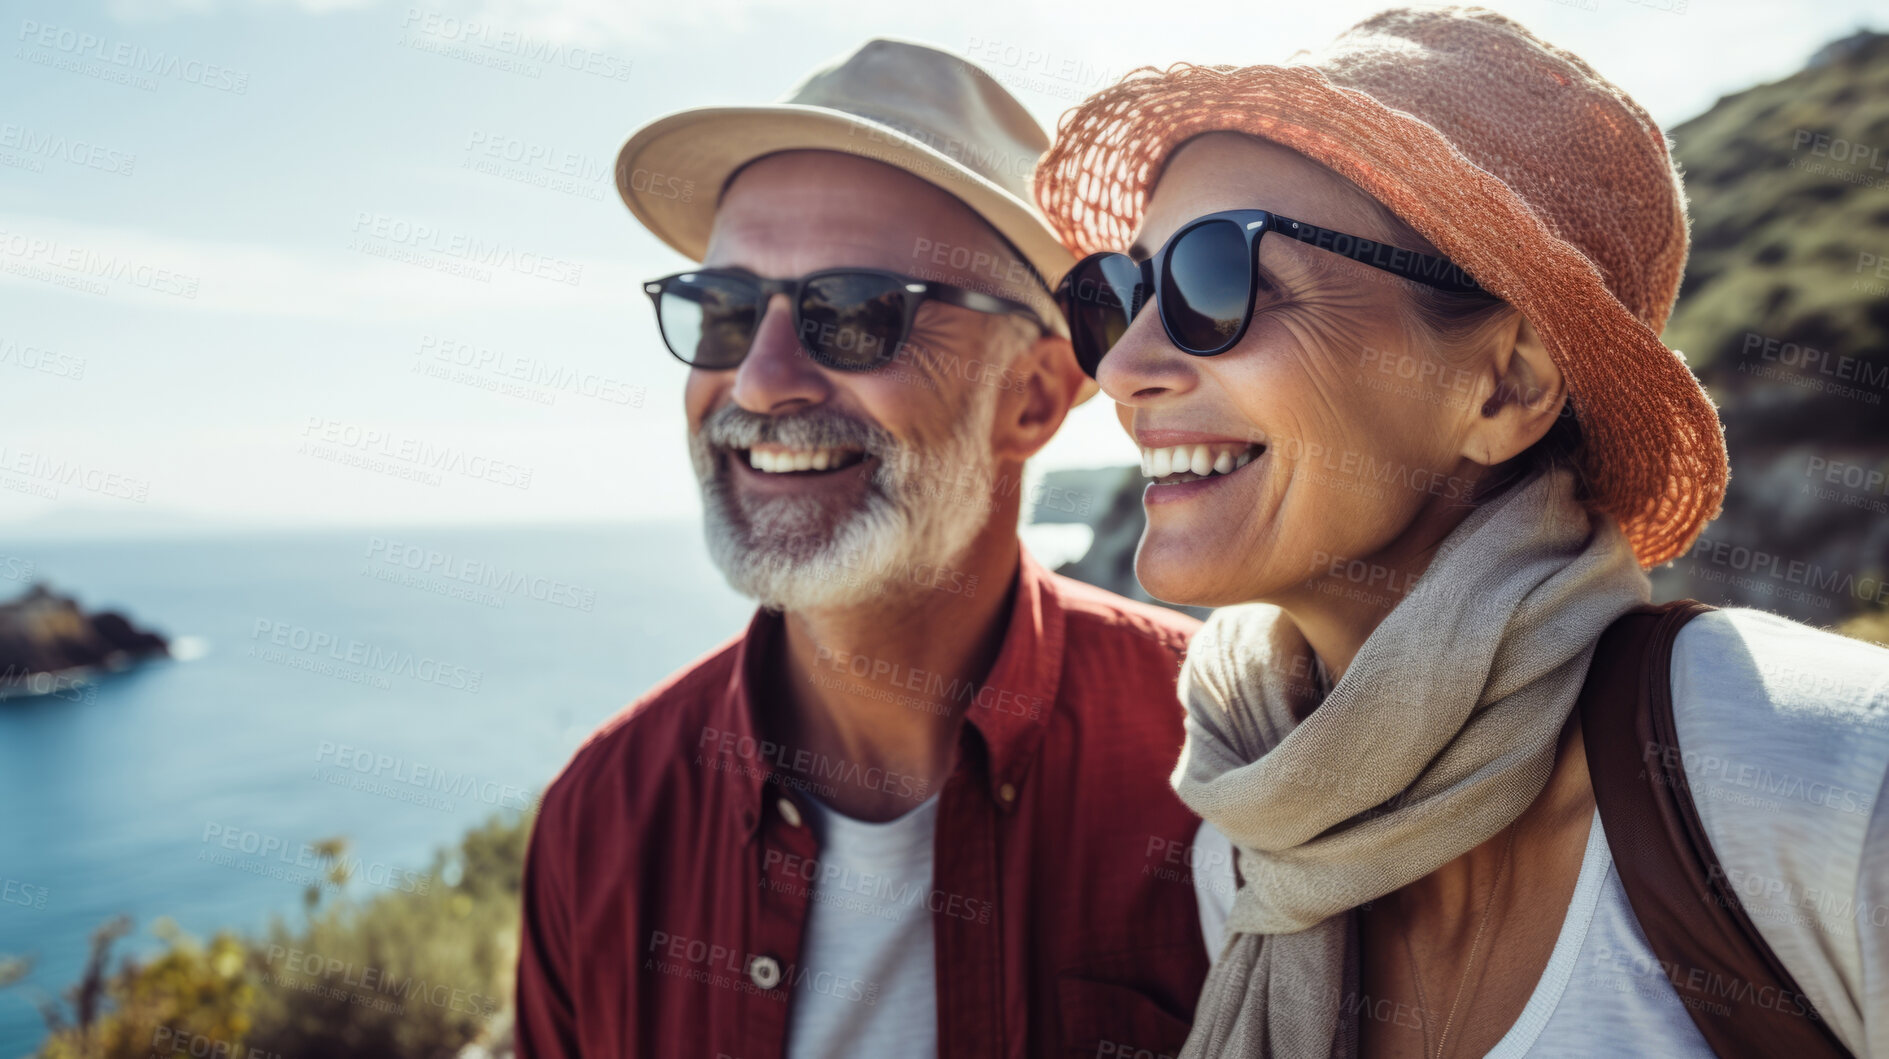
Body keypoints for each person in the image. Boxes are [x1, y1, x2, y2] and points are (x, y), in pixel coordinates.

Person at [1036, 8, 1889, 1058]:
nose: (1121, 368)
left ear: (1504, 386)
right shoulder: (1250, 832)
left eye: (1216, 278)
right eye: (1117, 295)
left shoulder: (1826, 779)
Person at [515, 39, 1220, 1059]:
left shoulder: (1224, 767)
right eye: (719, 310)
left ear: (1030, 396)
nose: (759, 381)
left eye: (850, 314)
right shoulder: (603, 818)